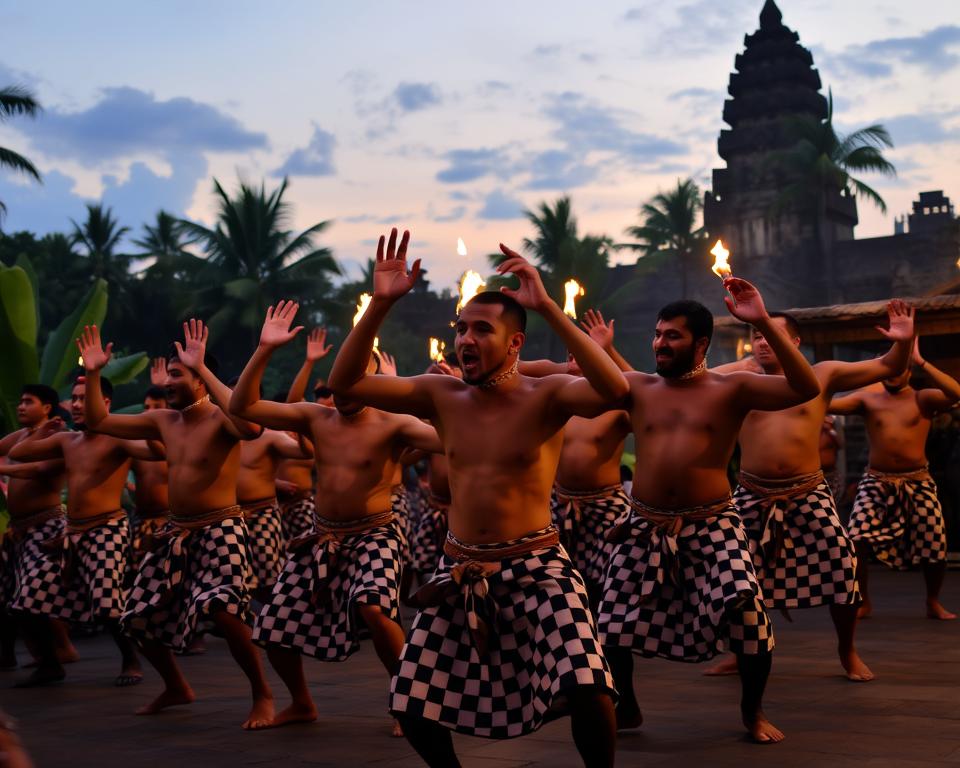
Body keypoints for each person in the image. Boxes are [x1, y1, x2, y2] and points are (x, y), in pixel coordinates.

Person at [328, 230, 625, 768]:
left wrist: (550, 309)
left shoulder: (548, 396)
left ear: (515, 343)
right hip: (459, 566)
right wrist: (382, 303)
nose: (465, 339)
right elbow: (344, 381)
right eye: (461, 328)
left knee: (588, 686)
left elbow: (614, 390)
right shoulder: (440, 395)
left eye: (481, 330)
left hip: (538, 566)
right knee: (412, 702)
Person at [597, 287, 821, 744]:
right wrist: (594, 342)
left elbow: (805, 387)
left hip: (714, 522)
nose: (660, 344)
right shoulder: (636, 387)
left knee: (749, 619)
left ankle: (751, 711)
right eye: (658, 335)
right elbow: (561, 375)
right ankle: (629, 707)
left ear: (700, 343)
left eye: (673, 337)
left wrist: (760, 322)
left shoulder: (732, 388)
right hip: (644, 523)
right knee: (610, 625)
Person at [228, 301, 442, 732]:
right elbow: (244, 406)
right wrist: (265, 348)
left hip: (378, 532)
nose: (342, 390)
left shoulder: (392, 424)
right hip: (321, 535)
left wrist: (448, 395)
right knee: (273, 626)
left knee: (375, 609)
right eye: (336, 383)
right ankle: (302, 703)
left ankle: (408, 700)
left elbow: (453, 440)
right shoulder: (315, 417)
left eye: (351, 381)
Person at [78, 321, 276, 729]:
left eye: (177, 374)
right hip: (175, 533)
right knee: (135, 615)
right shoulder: (164, 422)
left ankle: (263, 693)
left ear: (202, 382)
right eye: (170, 373)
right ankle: (176, 686)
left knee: (224, 613)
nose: (168, 381)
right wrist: (95, 372)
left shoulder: (222, 419)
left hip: (222, 529)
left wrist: (203, 368)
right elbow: (98, 421)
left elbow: (250, 425)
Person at [705, 302, 915, 683]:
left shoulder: (822, 376)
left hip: (809, 491)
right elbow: (684, 377)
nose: (762, 339)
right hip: (752, 494)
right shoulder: (742, 383)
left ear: (796, 342)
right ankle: (742, 652)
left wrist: (903, 343)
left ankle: (847, 650)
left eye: (772, 332)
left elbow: (888, 366)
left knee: (842, 567)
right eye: (756, 333)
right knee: (737, 579)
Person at [8, 376, 162, 688]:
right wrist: (43, 431)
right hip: (70, 532)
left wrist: (147, 423)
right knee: (25, 601)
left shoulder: (118, 439)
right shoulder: (68, 441)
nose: (76, 404)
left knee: (107, 604)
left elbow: (156, 452)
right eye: (74, 398)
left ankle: (131, 659)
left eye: (83, 398)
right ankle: (51, 665)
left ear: (104, 403)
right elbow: (22, 454)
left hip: (107, 528)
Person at [830, 337, 960, 620]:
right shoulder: (867, 399)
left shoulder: (922, 398)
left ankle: (932, 601)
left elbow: (955, 392)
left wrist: (922, 361)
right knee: (856, 539)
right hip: (876, 481)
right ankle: (863, 600)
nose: (893, 374)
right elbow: (827, 405)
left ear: (909, 371)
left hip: (918, 480)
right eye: (888, 369)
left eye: (899, 369)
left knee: (934, 543)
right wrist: (861, 378)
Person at [0, 386, 75, 671]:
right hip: (18, 530)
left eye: (27, 402)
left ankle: (55, 658)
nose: (20, 406)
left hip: (46, 527)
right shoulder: (21, 436)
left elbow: (41, 470)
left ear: (47, 408)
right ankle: (9, 656)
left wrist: (3, 470)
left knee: (31, 596)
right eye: (19, 401)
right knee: (6, 598)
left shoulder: (59, 437)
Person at [129, 377, 170, 567]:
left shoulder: (180, 443)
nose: (150, 413)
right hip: (140, 523)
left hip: (170, 524)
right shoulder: (135, 445)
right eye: (147, 407)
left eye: (157, 406)